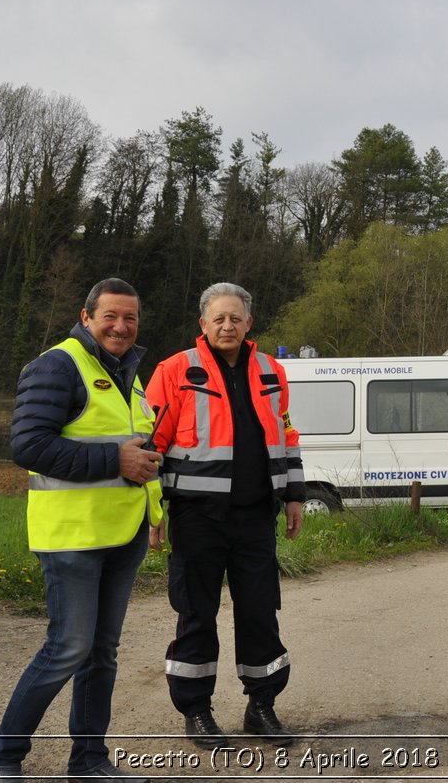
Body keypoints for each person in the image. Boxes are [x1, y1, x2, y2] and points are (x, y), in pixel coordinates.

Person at [0, 278, 163, 783]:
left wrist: (156, 504)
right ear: (86, 317)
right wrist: (116, 459)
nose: (121, 326)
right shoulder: (56, 365)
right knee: (68, 647)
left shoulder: (131, 375)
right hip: (71, 538)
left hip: (122, 532)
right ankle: (3, 757)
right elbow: (30, 446)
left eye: (130, 318)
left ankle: (88, 761)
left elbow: (137, 452)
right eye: (110, 316)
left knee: (101, 653)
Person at [146, 282, 305, 749]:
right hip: (196, 519)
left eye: (236, 317)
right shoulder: (175, 370)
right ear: (203, 323)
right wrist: (153, 508)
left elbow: (287, 437)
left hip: (257, 516)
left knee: (260, 613)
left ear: (249, 322)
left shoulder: (270, 370)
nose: (227, 325)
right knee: (197, 614)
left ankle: (262, 707)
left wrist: (294, 494)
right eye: (219, 318)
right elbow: (149, 443)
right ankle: (196, 710)